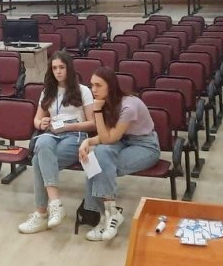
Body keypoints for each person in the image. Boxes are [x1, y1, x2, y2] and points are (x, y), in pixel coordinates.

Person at [78, 67, 160, 241]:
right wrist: (88, 142)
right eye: (92, 85)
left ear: (110, 86)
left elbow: (108, 138)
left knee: (100, 165)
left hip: (145, 146)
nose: (93, 89)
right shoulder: (105, 103)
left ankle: (107, 215)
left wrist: (97, 111)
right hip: (122, 141)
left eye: (98, 85)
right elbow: (106, 136)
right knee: (98, 156)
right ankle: (110, 215)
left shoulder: (128, 106)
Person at [19, 51, 95, 234]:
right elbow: (37, 120)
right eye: (54, 68)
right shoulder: (48, 91)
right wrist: (41, 123)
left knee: (38, 161)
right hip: (52, 134)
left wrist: (67, 127)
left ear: (69, 68)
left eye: (62, 67)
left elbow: (93, 123)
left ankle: (41, 214)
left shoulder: (83, 91)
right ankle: (55, 204)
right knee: (43, 142)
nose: (58, 71)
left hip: (75, 135)